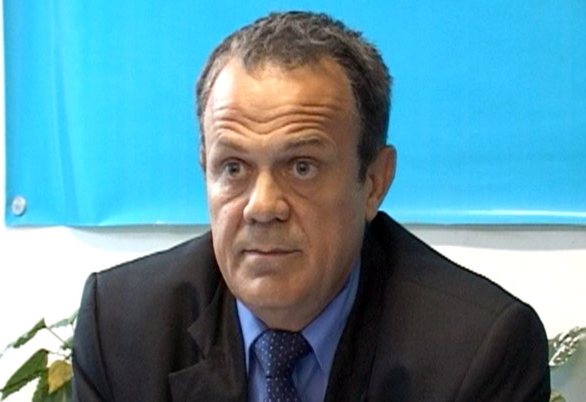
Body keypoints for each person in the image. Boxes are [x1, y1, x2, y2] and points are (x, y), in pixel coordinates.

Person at [72, 11, 550, 402]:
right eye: (233, 168)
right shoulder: (123, 327)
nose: (262, 207)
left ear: (374, 183)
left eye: (301, 167)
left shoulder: (475, 352)